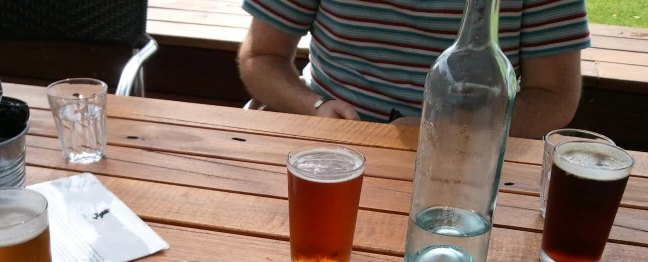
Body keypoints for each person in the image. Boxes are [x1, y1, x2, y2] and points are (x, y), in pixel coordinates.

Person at [238, 0, 591, 138]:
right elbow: (261, 58)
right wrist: (312, 106)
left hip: (469, 156)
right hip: (326, 142)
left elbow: (555, 96)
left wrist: (451, 130)